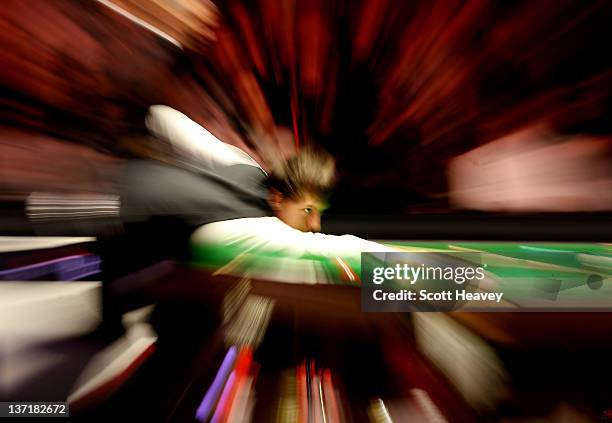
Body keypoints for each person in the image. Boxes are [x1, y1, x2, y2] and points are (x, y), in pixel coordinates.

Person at [136, 105, 395, 275]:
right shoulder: (258, 229)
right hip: (125, 241)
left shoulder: (245, 165)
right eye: (307, 210)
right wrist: (432, 276)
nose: (314, 224)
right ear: (277, 198)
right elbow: (332, 248)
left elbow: (162, 116)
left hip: (125, 195)